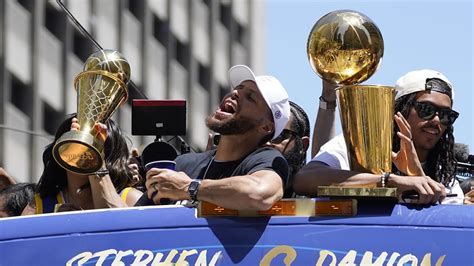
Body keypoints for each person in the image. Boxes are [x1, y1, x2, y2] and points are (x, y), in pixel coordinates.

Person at [294, 69, 463, 205]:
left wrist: (416, 174)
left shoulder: (447, 177)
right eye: (426, 109)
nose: (435, 120)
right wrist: (388, 182)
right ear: (400, 109)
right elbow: (305, 179)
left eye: (446, 115)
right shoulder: (357, 143)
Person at [144, 65, 290, 210]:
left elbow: (260, 194)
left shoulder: (266, 159)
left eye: (250, 97)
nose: (235, 93)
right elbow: (135, 215)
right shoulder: (184, 163)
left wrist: (189, 187)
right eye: (238, 87)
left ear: (266, 127)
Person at [24, 115, 142, 214]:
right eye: (74, 142)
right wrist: (56, 226)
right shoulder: (38, 206)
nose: (83, 152)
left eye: (96, 145)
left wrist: (96, 162)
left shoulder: (131, 199)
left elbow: (121, 228)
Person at [268, 101, 310, 198]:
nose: (266, 143)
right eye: (261, 136)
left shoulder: (315, 202)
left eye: (279, 135)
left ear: (303, 145)